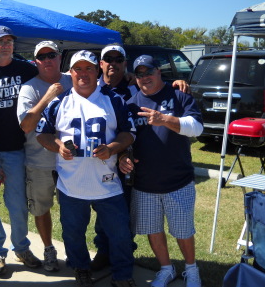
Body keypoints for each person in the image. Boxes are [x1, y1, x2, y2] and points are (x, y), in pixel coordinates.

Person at [36, 50, 136, 287]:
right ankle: (80, 267)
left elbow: (128, 133)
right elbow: (42, 134)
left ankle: (123, 274)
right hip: (71, 183)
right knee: (72, 233)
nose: (83, 74)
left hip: (108, 183)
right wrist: (58, 146)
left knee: (120, 234)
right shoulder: (59, 102)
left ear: (97, 70)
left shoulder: (113, 99)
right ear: (69, 73)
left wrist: (112, 148)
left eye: (88, 68)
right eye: (78, 69)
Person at [91, 44, 191, 271]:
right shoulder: (92, 89)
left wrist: (179, 83)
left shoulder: (134, 88)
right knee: (103, 211)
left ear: (125, 64)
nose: (113, 63)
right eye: (109, 59)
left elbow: (159, 89)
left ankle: (123, 254)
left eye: (119, 59)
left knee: (125, 211)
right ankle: (104, 251)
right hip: (101, 161)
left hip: (129, 162)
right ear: (101, 64)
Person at [120, 55, 203, 287]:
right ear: (135, 77)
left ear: (159, 72)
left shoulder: (179, 95)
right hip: (144, 183)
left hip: (178, 180)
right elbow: (126, 139)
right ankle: (166, 269)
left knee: (183, 230)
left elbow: (196, 128)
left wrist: (165, 119)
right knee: (153, 229)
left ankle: (191, 270)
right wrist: (124, 155)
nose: (144, 77)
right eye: (139, 73)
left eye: (149, 72)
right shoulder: (131, 104)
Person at [0, 26, 41, 276]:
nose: (5, 45)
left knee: (17, 205)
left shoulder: (26, 69)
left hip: (16, 150)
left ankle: (21, 248)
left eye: (9, 41)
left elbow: (51, 79)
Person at [17, 41, 72, 272]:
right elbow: (26, 126)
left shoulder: (73, 79)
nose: (48, 60)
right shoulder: (29, 88)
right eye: (42, 57)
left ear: (59, 57)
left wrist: (129, 75)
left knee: (73, 212)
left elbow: (104, 82)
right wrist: (47, 97)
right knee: (41, 209)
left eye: (52, 55)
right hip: (39, 162)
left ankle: (75, 252)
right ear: (36, 61)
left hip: (71, 162)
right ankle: (49, 249)